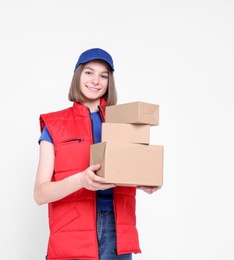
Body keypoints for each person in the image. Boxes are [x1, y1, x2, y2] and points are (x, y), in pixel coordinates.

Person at [34, 48, 160, 260]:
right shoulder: (54, 124)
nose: (96, 81)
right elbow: (40, 194)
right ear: (78, 76)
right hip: (72, 229)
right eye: (89, 72)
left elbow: (128, 167)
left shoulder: (121, 122)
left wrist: (142, 180)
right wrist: (81, 180)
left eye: (104, 75)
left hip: (117, 228)